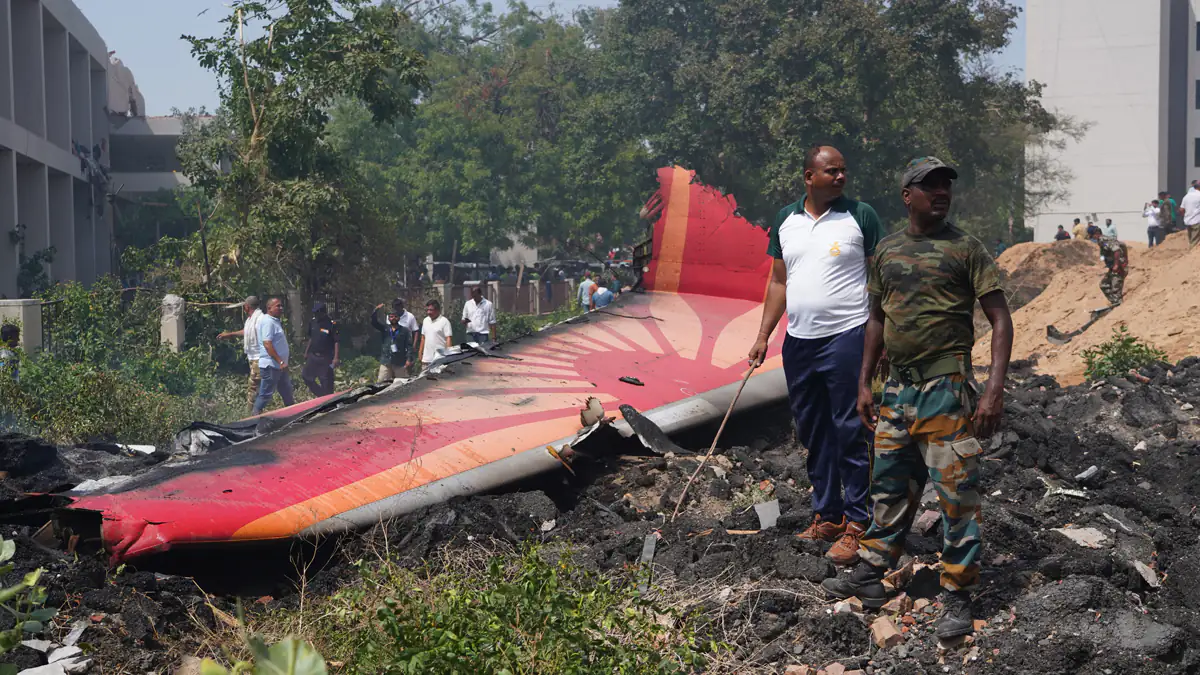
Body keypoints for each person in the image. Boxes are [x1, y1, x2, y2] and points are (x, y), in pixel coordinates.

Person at [821, 157, 1013, 641]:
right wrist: (865, 383)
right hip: (896, 391)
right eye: (930, 186)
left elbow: (1000, 320)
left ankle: (957, 594)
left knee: (956, 496)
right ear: (908, 196)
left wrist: (993, 390)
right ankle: (871, 572)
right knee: (888, 485)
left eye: (946, 185)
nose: (941, 192)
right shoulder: (887, 250)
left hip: (946, 390)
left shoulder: (966, 249)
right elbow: (876, 319)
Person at [748, 144, 883, 566]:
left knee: (850, 427)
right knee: (813, 430)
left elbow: (879, 278)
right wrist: (763, 335)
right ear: (809, 177)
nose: (841, 177)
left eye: (843, 171)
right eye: (831, 171)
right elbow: (778, 281)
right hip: (800, 341)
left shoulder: (860, 216)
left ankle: (859, 521)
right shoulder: (785, 220)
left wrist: (881, 339)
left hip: (847, 336)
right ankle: (828, 514)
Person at [217, 296, 264, 414]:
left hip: (259, 357)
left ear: (247, 306)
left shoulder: (260, 319)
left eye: (244, 306)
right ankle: (256, 412)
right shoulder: (251, 319)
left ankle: (252, 413)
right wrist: (230, 334)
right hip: (253, 357)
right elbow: (246, 331)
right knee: (257, 386)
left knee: (254, 386)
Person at [252, 298, 295, 415]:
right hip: (271, 366)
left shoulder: (274, 321)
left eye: (281, 306)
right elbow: (267, 344)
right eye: (278, 306)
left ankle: (293, 415)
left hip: (279, 366)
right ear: (269, 308)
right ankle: (255, 417)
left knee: (286, 392)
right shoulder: (268, 322)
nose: (281, 308)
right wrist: (280, 361)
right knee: (265, 395)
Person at [301, 301, 339, 397]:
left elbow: (336, 341)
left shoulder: (331, 324)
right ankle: (321, 395)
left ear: (323, 312)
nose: (316, 315)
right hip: (313, 356)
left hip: (325, 358)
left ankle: (327, 399)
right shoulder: (313, 323)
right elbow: (311, 338)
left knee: (326, 383)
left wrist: (336, 358)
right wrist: (306, 352)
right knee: (306, 376)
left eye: (317, 313)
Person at [371, 303, 413, 383]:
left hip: (400, 362)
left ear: (399, 318)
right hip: (386, 361)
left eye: (395, 316)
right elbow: (374, 322)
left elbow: (409, 346)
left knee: (403, 383)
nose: (393, 318)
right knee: (381, 384)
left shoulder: (405, 331)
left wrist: (409, 359)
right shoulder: (385, 328)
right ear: (388, 318)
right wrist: (376, 310)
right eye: (391, 316)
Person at [416, 299, 454, 371]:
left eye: (431, 310)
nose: (428, 312)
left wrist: (448, 355)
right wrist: (420, 352)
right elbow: (423, 338)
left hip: (439, 360)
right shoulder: (425, 320)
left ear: (437, 310)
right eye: (427, 310)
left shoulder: (444, 321)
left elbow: (448, 339)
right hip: (426, 360)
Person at [1099, 236, 1129, 306]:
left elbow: (1117, 251)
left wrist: (1116, 264)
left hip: (1120, 269)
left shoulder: (1109, 244)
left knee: (1115, 287)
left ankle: (1118, 302)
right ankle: (1115, 302)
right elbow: (1103, 256)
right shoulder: (1104, 247)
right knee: (1103, 285)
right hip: (1113, 269)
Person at [1179, 180, 1200, 248]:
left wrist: (1185, 216)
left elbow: (1181, 209)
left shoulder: (1186, 196)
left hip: (1188, 221)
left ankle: (1190, 251)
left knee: (1191, 240)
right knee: (1194, 242)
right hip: (1197, 221)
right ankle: (1191, 253)